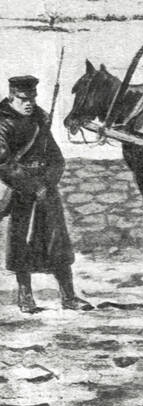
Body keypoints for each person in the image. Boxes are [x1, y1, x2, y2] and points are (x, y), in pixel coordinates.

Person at [0, 74, 92, 313]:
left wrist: (47, 183)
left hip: (46, 190)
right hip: (21, 191)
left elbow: (57, 159)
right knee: (21, 244)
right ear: (12, 98)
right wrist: (32, 186)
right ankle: (25, 297)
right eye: (23, 99)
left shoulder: (41, 119)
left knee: (57, 242)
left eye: (32, 97)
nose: (29, 102)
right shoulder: (2, 122)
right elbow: (3, 163)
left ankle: (69, 296)